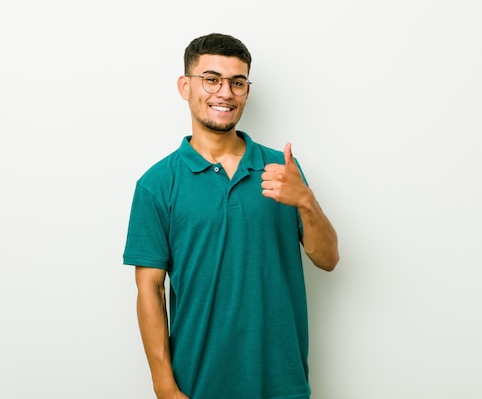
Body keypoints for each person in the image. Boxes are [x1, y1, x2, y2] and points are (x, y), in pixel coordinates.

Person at [123, 33, 339, 399]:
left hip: (282, 381)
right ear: (185, 86)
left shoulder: (282, 168)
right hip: (197, 383)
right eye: (211, 79)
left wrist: (306, 201)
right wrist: (164, 387)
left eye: (237, 82)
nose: (225, 92)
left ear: (246, 91)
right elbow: (149, 290)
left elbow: (328, 259)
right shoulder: (156, 184)